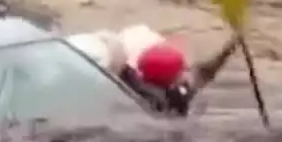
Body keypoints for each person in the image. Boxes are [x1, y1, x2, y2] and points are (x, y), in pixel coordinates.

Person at [70, 26, 241, 117]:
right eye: (182, 69)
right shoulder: (171, 100)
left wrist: (230, 46)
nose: (187, 71)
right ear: (173, 80)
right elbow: (203, 74)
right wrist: (231, 47)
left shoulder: (129, 83)